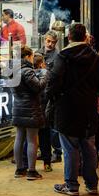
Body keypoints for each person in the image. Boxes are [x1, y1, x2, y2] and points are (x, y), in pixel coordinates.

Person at [46, 23, 99, 196]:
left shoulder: (63, 56)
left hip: (67, 109)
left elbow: (53, 83)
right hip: (89, 109)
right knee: (89, 147)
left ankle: (72, 186)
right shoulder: (97, 58)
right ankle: (92, 184)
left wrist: (51, 97)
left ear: (69, 37)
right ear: (85, 37)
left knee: (70, 148)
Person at [12, 46, 47, 180]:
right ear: (27, 57)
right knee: (32, 140)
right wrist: (44, 73)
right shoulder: (27, 71)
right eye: (32, 56)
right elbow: (38, 87)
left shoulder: (13, 71)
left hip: (18, 107)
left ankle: (19, 169)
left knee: (19, 138)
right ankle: (32, 171)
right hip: (31, 109)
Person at [37, 30, 63, 163]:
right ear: (44, 40)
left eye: (53, 42)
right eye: (48, 41)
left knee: (52, 126)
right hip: (40, 95)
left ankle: (57, 152)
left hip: (51, 95)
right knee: (43, 127)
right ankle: (44, 150)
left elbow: (57, 77)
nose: (50, 44)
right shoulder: (37, 52)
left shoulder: (58, 56)